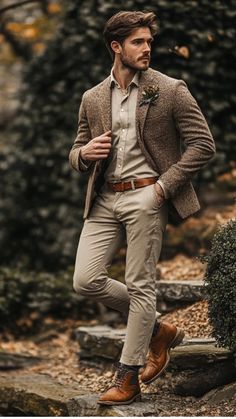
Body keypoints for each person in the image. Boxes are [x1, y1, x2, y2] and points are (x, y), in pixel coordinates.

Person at [69, 10, 215, 406]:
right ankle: (158, 333)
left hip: (147, 196)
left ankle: (128, 377)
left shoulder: (171, 89)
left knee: (140, 287)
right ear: (116, 47)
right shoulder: (93, 97)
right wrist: (83, 153)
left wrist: (163, 188)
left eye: (149, 41)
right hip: (104, 198)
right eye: (138, 42)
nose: (147, 48)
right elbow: (76, 148)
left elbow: (203, 144)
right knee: (85, 280)